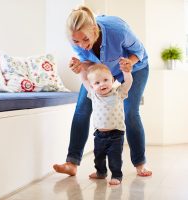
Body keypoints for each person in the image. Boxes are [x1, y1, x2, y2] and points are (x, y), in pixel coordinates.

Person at [53, 5, 152, 177]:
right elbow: (90, 64)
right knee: (82, 109)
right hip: (102, 71)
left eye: (85, 39)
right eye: (76, 42)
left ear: (93, 29)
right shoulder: (75, 40)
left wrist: (129, 64)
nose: (82, 45)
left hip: (135, 67)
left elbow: (139, 51)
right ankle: (72, 162)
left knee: (130, 112)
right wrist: (80, 66)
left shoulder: (117, 29)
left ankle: (140, 164)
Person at [80, 63, 132, 185]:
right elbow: (83, 79)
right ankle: (101, 172)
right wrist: (81, 69)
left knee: (115, 158)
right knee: (98, 157)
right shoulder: (94, 94)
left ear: (112, 80)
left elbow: (128, 82)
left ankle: (117, 175)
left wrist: (126, 72)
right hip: (99, 134)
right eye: (97, 83)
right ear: (92, 86)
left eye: (105, 80)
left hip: (116, 133)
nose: (102, 84)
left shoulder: (118, 92)